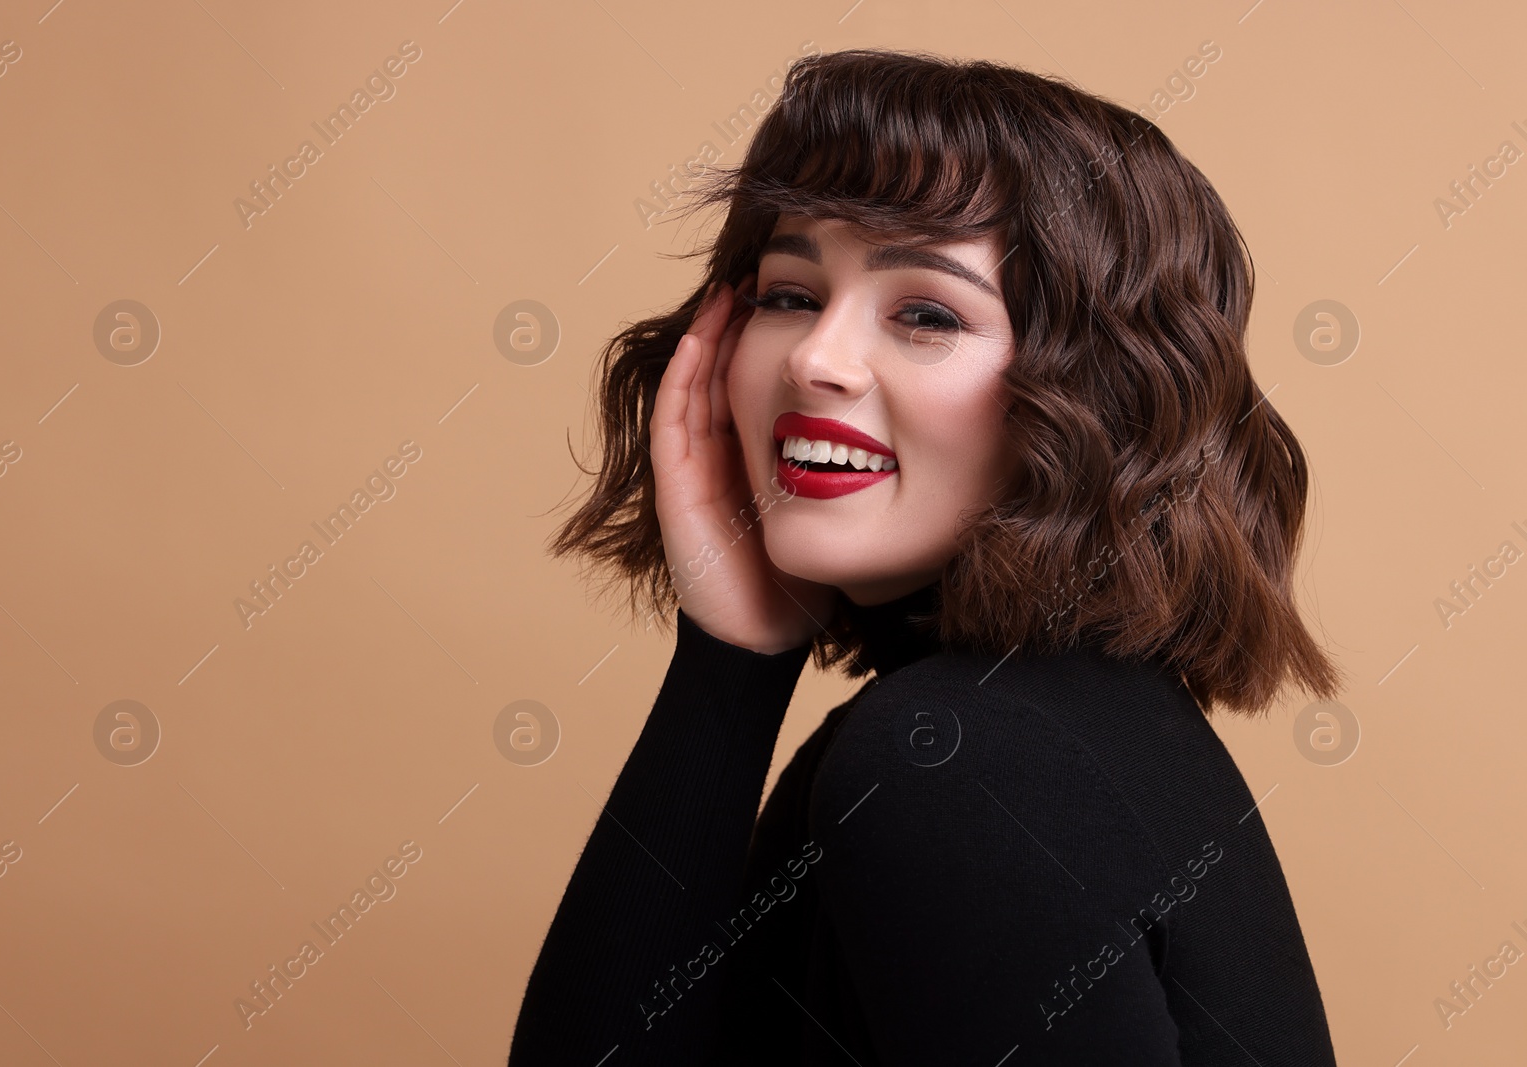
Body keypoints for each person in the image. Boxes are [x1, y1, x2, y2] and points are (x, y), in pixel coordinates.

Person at [511, 47, 1343, 1065]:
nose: (816, 358)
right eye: (788, 293)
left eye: (926, 312)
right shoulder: (1027, 733)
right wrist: (729, 661)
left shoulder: (955, 764)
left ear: (1095, 394)